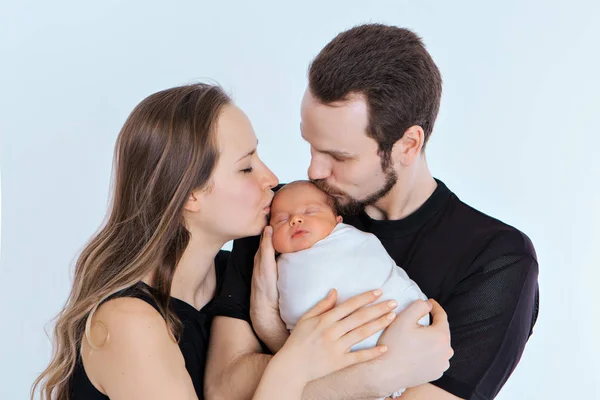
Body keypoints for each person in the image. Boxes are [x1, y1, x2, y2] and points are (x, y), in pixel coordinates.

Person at [205, 24, 539, 400]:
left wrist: (275, 339)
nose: (314, 171)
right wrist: (382, 373)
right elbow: (223, 388)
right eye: (311, 145)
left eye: (338, 156)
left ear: (408, 145)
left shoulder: (495, 260)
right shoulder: (286, 214)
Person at [31, 83, 412, 400]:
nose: (271, 178)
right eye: (246, 167)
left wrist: (274, 332)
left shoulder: (237, 275)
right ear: (189, 195)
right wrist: (297, 364)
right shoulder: (130, 324)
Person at [273, 180, 431, 399]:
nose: (295, 220)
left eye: (310, 211)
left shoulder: (352, 241)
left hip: (397, 327)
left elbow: (379, 269)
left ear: (337, 220)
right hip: (332, 369)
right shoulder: (277, 268)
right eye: (281, 219)